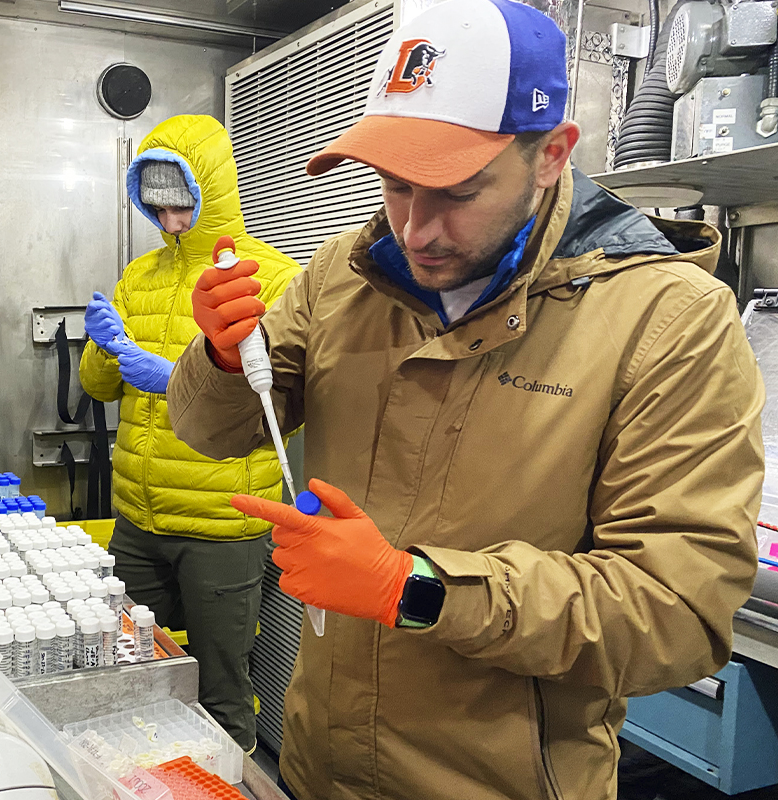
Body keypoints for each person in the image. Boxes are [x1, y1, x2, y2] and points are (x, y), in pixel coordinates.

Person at [166, 2, 765, 798]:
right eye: (394, 185)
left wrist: (415, 589)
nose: (415, 229)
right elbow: (211, 432)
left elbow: (678, 613)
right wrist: (219, 356)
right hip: (321, 765)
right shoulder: (345, 274)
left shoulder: (667, 319)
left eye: (455, 190)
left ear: (551, 155)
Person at [78, 114, 301, 752]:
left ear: (213, 191)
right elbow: (99, 388)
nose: (171, 222)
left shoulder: (269, 278)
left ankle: (230, 775)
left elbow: (282, 401)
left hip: (221, 523)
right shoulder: (139, 275)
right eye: (156, 209)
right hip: (138, 517)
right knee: (129, 666)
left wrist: (174, 376)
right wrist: (105, 346)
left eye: (181, 206)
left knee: (221, 683)